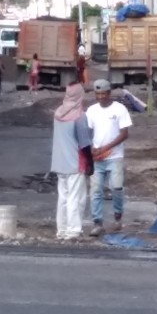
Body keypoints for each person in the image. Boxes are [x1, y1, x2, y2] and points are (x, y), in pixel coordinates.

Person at [87, 79, 132, 237]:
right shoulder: (92, 111)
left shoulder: (120, 110)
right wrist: (92, 147)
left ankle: (118, 216)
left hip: (115, 156)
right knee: (95, 190)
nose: (100, 97)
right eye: (97, 94)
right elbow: (88, 132)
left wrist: (106, 148)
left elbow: (124, 134)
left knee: (116, 188)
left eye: (103, 94)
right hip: (97, 158)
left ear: (109, 93)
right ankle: (97, 222)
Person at [51, 83, 94, 240]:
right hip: (75, 162)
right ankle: (73, 230)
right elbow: (84, 144)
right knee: (75, 197)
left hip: (59, 162)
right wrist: (90, 162)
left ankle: (61, 230)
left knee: (63, 197)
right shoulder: (79, 116)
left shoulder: (58, 113)